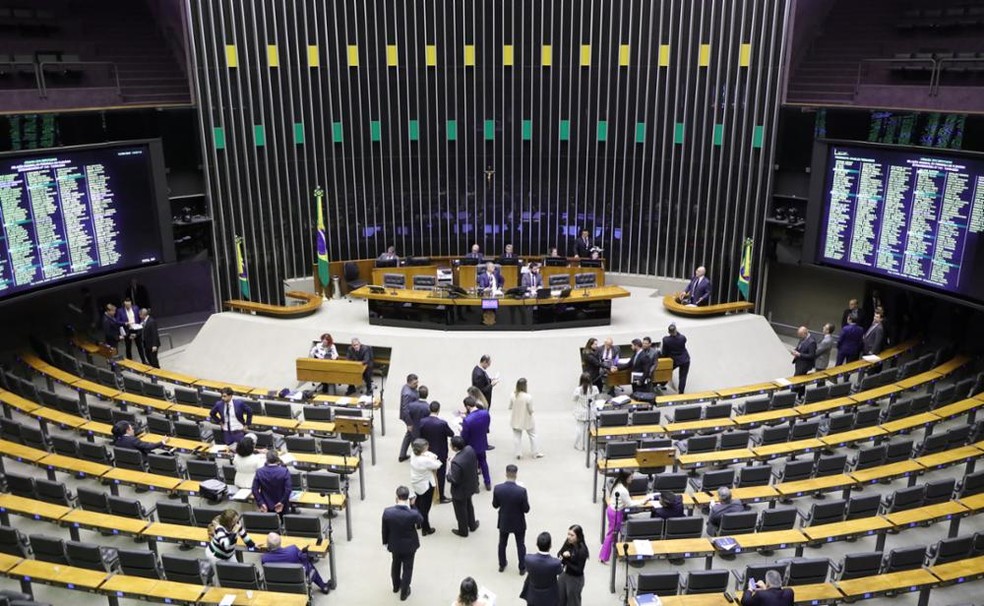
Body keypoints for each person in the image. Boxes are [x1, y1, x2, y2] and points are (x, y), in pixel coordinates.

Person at [381, 485, 423, 601]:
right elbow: (420, 520)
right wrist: (413, 505)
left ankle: (395, 586)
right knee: (408, 569)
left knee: (395, 565)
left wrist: (385, 543)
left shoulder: (388, 512)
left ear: (396, 497)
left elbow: (385, 529)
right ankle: (404, 592)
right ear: (408, 498)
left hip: (394, 544)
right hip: (410, 545)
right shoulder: (412, 513)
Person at [599, 470, 645, 563]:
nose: (632, 479)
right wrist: (643, 501)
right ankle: (603, 556)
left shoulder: (618, 483)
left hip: (612, 510)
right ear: (626, 478)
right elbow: (630, 504)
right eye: (631, 477)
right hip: (616, 513)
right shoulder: (623, 490)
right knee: (611, 534)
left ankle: (614, 549)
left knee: (613, 532)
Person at [262, 532, 331, 594]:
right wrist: (304, 554)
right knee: (309, 566)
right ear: (280, 542)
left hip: (277, 585)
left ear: (268, 545)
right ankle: (323, 586)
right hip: (297, 582)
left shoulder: (264, 558)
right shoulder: (292, 550)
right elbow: (304, 560)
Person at [492, 464, 530, 574]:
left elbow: (495, 505)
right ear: (516, 475)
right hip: (518, 522)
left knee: (502, 544)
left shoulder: (498, 488)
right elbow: (526, 509)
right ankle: (522, 567)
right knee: (520, 545)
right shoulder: (521, 491)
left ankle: (502, 564)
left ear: (506, 474)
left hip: (504, 520)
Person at [419, 401, 454, 502]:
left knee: (426, 473)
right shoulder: (442, 423)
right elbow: (451, 433)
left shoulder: (422, 421)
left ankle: (426, 493)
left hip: (426, 451)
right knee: (440, 475)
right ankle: (440, 495)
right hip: (440, 452)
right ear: (438, 410)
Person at [447, 435, 480, 537]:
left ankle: (463, 531)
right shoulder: (470, 449)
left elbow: (453, 479)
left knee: (460, 511)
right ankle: (472, 525)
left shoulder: (456, 463)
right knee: (469, 506)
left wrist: (448, 470)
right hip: (470, 485)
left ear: (455, 448)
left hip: (460, 491)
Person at [520, 531, 563, 606]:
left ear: (537, 544)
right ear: (550, 546)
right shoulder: (555, 563)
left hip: (532, 595)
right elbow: (560, 571)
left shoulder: (528, 559)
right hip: (549, 597)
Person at [409, 438, 441, 536]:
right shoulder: (424, 460)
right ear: (422, 449)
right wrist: (434, 459)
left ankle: (417, 522)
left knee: (417, 502)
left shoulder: (413, 455)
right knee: (425, 508)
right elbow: (437, 465)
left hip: (416, 483)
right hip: (426, 486)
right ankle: (426, 528)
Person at [461, 396, 492, 490]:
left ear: (467, 406)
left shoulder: (467, 420)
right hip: (482, 441)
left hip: (471, 445)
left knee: (473, 465)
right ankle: (488, 482)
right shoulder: (485, 413)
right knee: (483, 462)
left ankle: (476, 484)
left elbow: (464, 436)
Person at [509, 378, 542, 460]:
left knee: (517, 437)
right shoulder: (528, 397)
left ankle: (518, 454)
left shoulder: (513, 395)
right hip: (527, 419)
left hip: (515, 419)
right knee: (533, 435)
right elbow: (531, 410)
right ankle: (535, 453)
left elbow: (510, 407)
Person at [557, 524, 589, 606]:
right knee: (560, 599)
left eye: (572, 535)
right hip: (565, 574)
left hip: (575, 579)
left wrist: (565, 560)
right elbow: (559, 553)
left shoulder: (582, 550)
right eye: (568, 534)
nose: (569, 537)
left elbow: (578, 569)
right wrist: (564, 556)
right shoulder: (568, 542)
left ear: (578, 536)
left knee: (573, 602)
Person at [252, 450, 291, 515]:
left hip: (266, 504)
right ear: (278, 459)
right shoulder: (284, 471)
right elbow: (288, 489)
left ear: (266, 459)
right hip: (281, 504)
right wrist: (282, 502)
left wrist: (261, 503)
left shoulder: (260, 472)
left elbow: (254, 490)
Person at [662, 323, 691, 394]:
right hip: (684, 359)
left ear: (669, 332)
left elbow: (664, 352)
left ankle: (662, 383)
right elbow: (680, 337)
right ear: (676, 330)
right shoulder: (682, 338)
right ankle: (681, 392)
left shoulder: (666, 340)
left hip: (674, 360)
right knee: (683, 377)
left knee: (666, 371)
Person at [572, 373, 598, 451]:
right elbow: (596, 398)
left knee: (579, 429)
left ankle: (580, 445)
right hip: (591, 412)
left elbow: (574, 399)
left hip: (581, 412)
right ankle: (589, 446)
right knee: (590, 429)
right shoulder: (595, 388)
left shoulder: (578, 389)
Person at [398, 374, 421, 462]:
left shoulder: (407, 387)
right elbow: (405, 410)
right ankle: (416, 456)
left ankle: (402, 454)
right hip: (410, 418)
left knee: (409, 435)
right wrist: (409, 423)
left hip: (411, 416)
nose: (417, 384)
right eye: (415, 383)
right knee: (413, 435)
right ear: (409, 382)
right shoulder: (407, 394)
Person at [115, 297, 144, 362]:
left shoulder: (136, 308)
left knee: (140, 346)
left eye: (129, 305)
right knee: (128, 347)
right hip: (128, 330)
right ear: (124, 304)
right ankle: (130, 361)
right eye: (127, 305)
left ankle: (144, 360)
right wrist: (125, 323)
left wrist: (140, 324)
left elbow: (139, 318)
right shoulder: (120, 311)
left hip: (136, 328)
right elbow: (117, 321)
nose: (128, 307)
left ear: (131, 304)